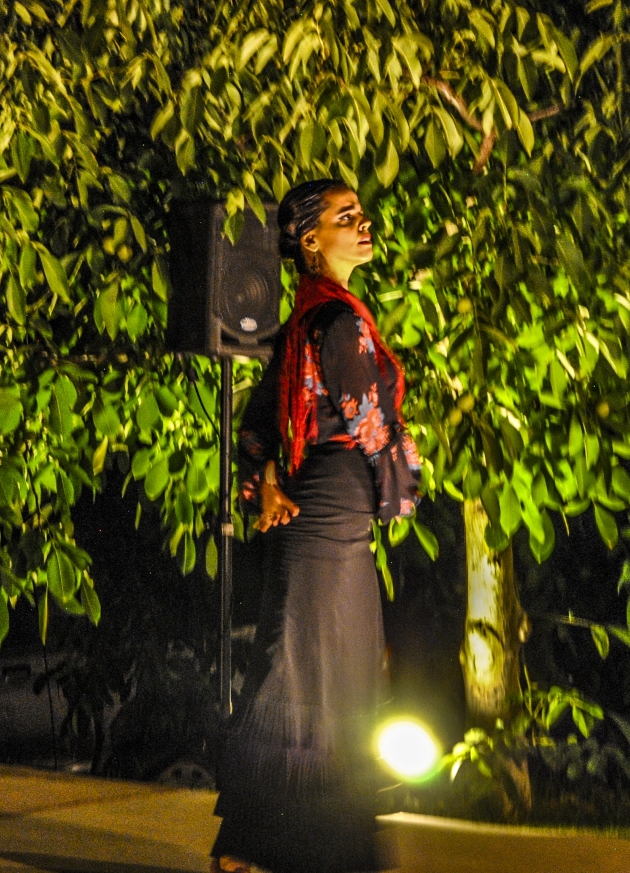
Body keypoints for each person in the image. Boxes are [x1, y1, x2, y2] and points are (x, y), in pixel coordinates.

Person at [210, 181, 422, 873]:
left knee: (320, 671)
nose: (364, 225)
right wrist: (402, 481)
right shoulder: (338, 322)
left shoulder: (309, 316)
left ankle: (299, 847)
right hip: (332, 516)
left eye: (361, 215)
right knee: (306, 672)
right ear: (309, 242)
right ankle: (258, 846)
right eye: (345, 218)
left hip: (325, 515)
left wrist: (267, 476)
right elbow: (370, 422)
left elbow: (260, 423)